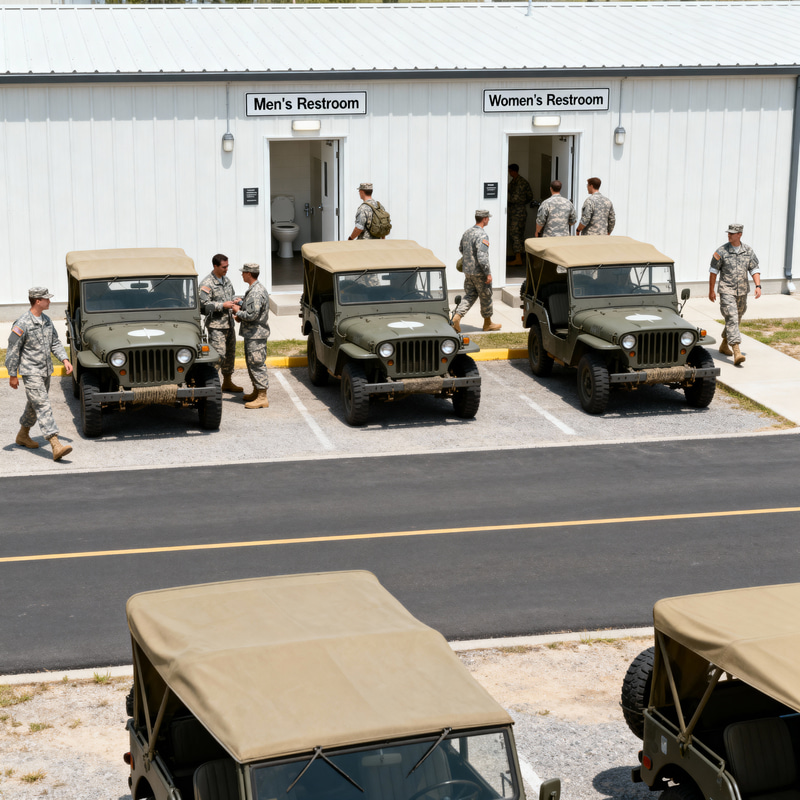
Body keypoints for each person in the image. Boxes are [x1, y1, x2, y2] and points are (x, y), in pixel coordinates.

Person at [5, 287, 74, 461]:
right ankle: (55, 444)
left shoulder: (47, 320)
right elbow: (13, 350)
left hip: (45, 371)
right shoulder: (22, 323)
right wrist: (13, 374)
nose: (49, 301)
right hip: (31, 372)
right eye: (46, 299)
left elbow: (55, 343)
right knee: (43, 405)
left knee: (34, 404)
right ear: (37, 301)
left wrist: (65, 360)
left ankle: (23, 435)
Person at [709, 223, 761, 366]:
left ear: (739, 235)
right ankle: (736, 350)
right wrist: (711, 290)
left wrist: (758, 285)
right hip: (726, 290)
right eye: (729, 233)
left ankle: (724, 344)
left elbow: (754, 269)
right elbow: (713, 271)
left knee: (737, 318)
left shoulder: (748, 251)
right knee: (731, 317)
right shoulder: (721, 251)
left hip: (742, 291)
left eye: (732, 233)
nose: (729, 235)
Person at [199, 253, 243, 393]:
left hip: (229, 324)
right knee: (219, 355)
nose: (226, 269)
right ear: (215, 266)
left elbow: (230, 296)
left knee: (230, 354)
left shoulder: (226, 280)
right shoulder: (207, 284)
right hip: (216, 326)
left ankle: (227, 382)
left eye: (227, 266)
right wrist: (221, 305)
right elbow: (203, 305)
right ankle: (212, 384)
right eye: (224, 267)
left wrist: (235, 301)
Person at [453, 211, 501, 333]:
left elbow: (460, 248)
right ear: (484, 219)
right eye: (488, 218)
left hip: (468, 271)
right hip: (479, 272)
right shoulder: (482, 235)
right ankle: (488, 323)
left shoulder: (467, 232)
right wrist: (488, 273)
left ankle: (456, 317)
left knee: (470, 295)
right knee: (486, 296)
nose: (488, 220)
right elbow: (482, 257)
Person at [233, 264, 270, 408]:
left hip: (256, 335)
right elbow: (253, 307)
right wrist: (241, 303)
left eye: (243, 273)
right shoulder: (255, 289)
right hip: (253, 334)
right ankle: (256, 391)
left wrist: (237, 310)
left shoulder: (255, 292)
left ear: (249, 274)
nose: (242, 275)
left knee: (256, 364)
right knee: (252, 363)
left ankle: (262, 397)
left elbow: (252, 315)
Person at [507, 164, 534, 265]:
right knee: (518, 234)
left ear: (513, 171)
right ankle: (518, 257)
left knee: (515, 234)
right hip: (517, 211)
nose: (509, 173)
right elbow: (530, 196)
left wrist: (509, 203)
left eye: (509, 171)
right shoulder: (515, 181)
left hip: (518, 212)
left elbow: (515, 198)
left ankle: (518, 259)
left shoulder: (520, 182)